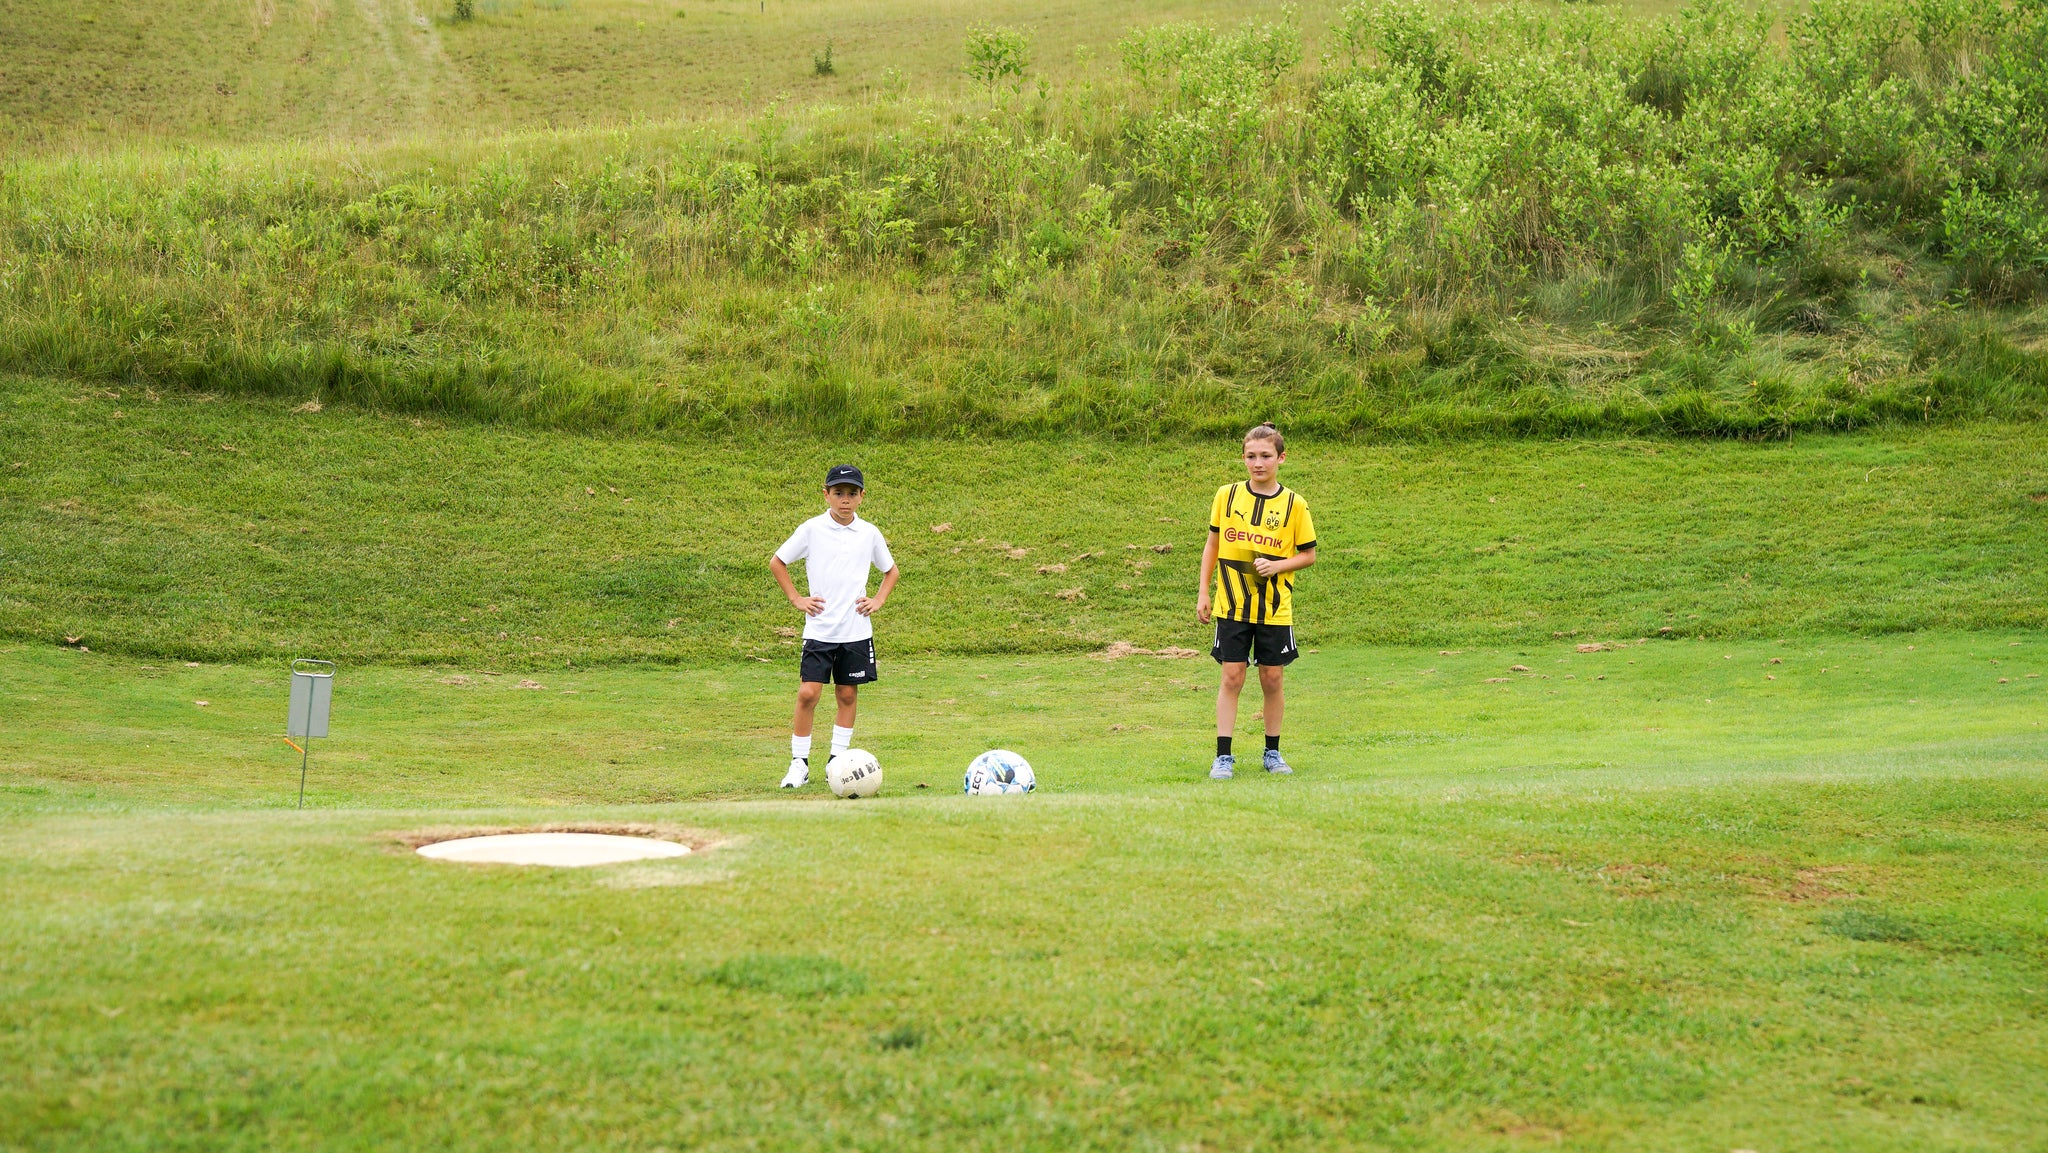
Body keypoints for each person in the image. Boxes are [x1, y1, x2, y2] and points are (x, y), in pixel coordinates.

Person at [1195, 423, 1318, 780]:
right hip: (1230, 605)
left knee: (1272, 679)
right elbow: (1212, 546)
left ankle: (1273, 752)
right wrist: (1204, 591)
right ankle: (1223, 757)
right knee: (1232, 676)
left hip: (1274, 609)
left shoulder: (1295, 504)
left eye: (1265, 456)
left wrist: (1278, 565)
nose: (1258, 463)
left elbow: (1308, 555)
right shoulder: (1226, 496)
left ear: (1281, 458)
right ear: (1244, 458)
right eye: (1251, 456)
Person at [769, 464, 900, 789]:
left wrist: (878, 601)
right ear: (826, 494)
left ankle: (836, 762)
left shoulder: (869, 533)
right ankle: (799, 764)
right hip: (820, 631)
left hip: (856, 631)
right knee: (808, 693)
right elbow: (777, 562)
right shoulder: (812, 529)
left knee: (846, 694)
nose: (845, 499)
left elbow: (891, 571)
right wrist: (797, 598)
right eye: (838, 493)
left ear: (861, 497)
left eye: (851, 493)